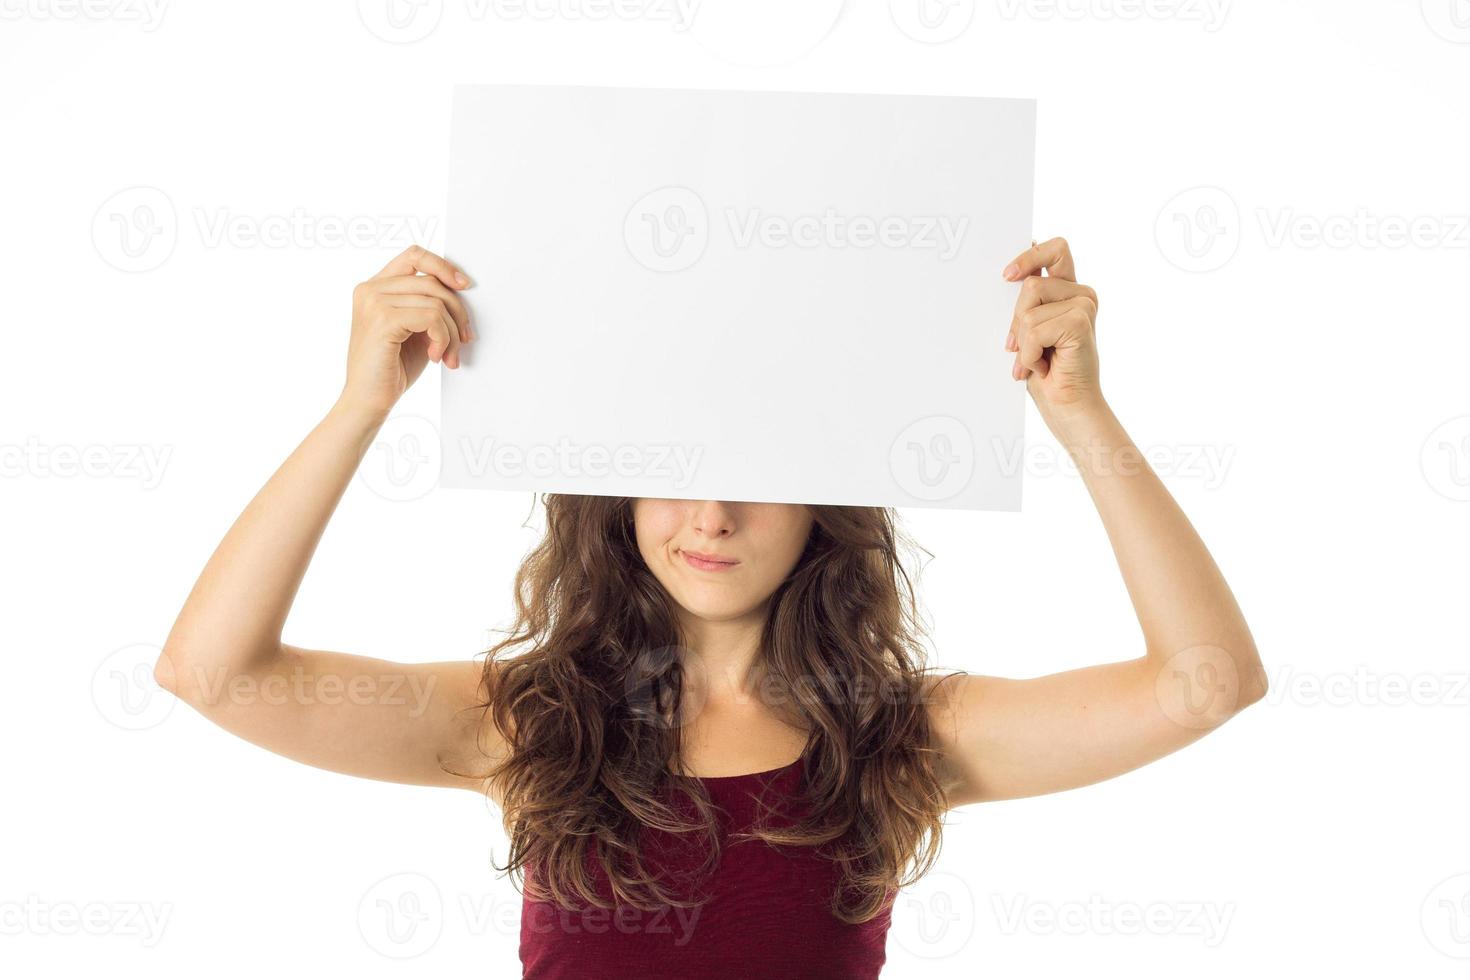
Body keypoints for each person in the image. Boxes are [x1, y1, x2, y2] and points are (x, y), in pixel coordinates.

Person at [156, 239, 1266, 978]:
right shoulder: (528, 719)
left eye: (762, 471)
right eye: (676, 467)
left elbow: (1204, 682)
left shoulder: (902, 735)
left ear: (829, 500)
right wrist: (365, 400)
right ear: (617, 487)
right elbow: (213, 673)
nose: (714, 514)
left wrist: (1079, 409)